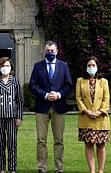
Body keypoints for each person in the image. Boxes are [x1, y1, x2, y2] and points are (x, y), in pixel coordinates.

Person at [29, 41, 73, 173]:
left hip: (58, 107)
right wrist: (45, 95)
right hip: (42, 107)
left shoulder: (64, 66)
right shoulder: (38, 66)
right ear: (44, 51)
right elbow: (32, 85)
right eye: (48, 51)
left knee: (59, 140)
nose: (50, 53)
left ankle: (59, 168)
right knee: (41, 140)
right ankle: (42, 168)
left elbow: (69, 85)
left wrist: (58, 94)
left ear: (57, 51)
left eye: (52, 51)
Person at [0, 57, 24, 173]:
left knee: (12, 143)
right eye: (3, 66)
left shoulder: (16, 81)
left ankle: (12, 168)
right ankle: (2, 168)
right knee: (0, 143)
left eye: (7, 66)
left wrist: (19, 117)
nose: (5, 68)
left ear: (11, 67)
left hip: (12, 117)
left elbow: (19, 100)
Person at [76, 57, 111, 173]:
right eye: (89, 65)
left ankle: (100, 170)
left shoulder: (103, 81)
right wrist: (86, 111)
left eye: (93, 65)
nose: (91, 67)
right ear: (86, 67)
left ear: (97, 67)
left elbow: (106, 98)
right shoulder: (80, 81)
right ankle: (92, 171)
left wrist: (100, 111)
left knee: (101, 145)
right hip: (86, 118)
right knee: (89, 145)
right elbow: (78, 98)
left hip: (101, 119)